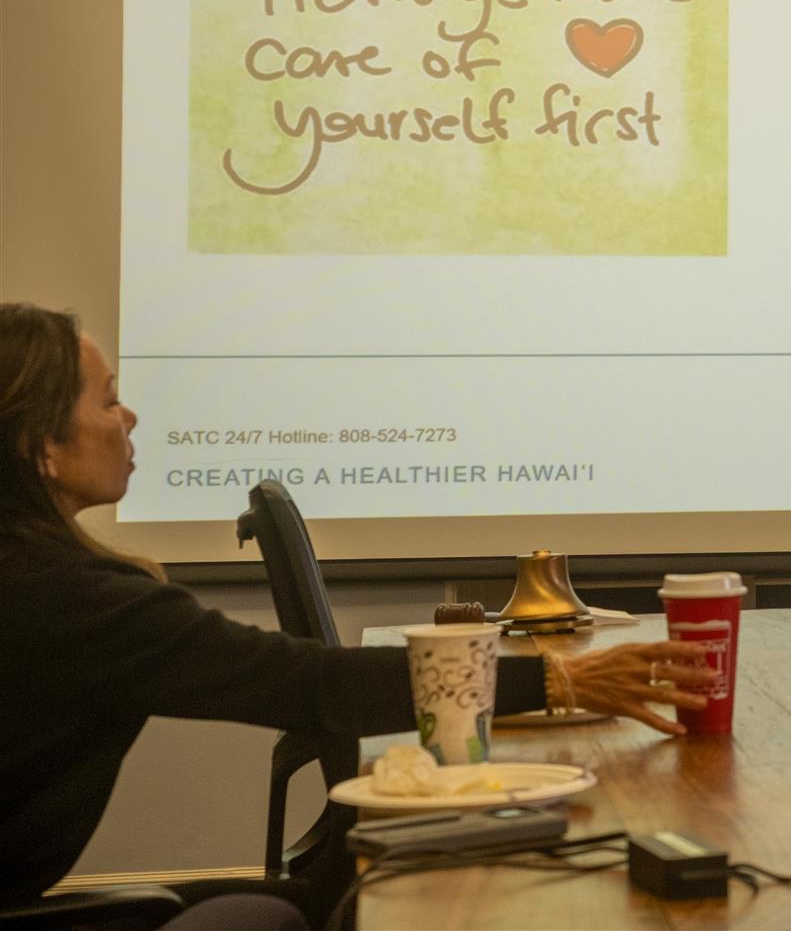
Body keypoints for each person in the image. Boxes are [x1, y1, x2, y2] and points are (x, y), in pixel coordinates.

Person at [0, 303, 717, 909]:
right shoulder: (69, 601)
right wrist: (560, 681)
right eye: (107, 400)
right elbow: (313, 685)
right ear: (41, 448)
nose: (128, 416)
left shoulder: (36, 578)